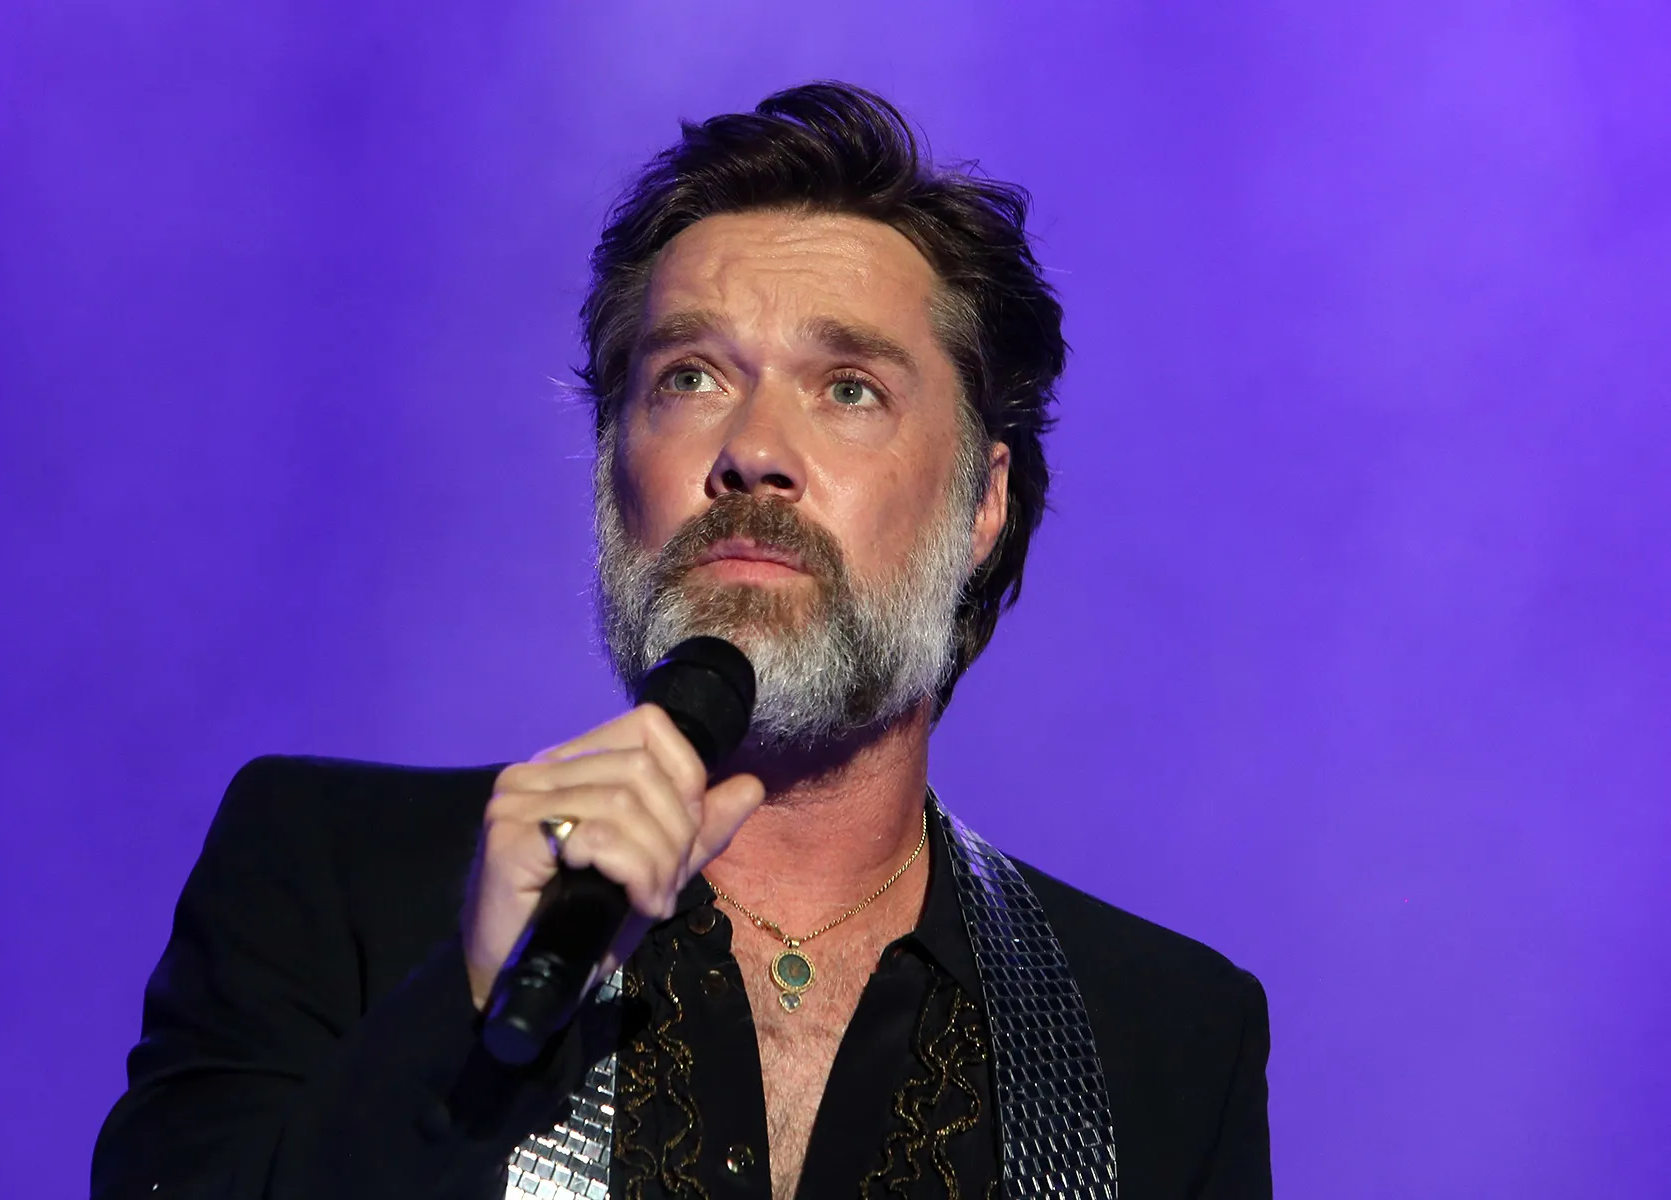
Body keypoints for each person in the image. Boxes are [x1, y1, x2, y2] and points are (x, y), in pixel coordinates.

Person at [93, 82, 1271, 1200]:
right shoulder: (329, 875)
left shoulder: (1169, 1032)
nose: (752, 450)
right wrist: (466, 1009)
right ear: (615, 470)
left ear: (983, 503)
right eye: (691, 377)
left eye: (848, 388)